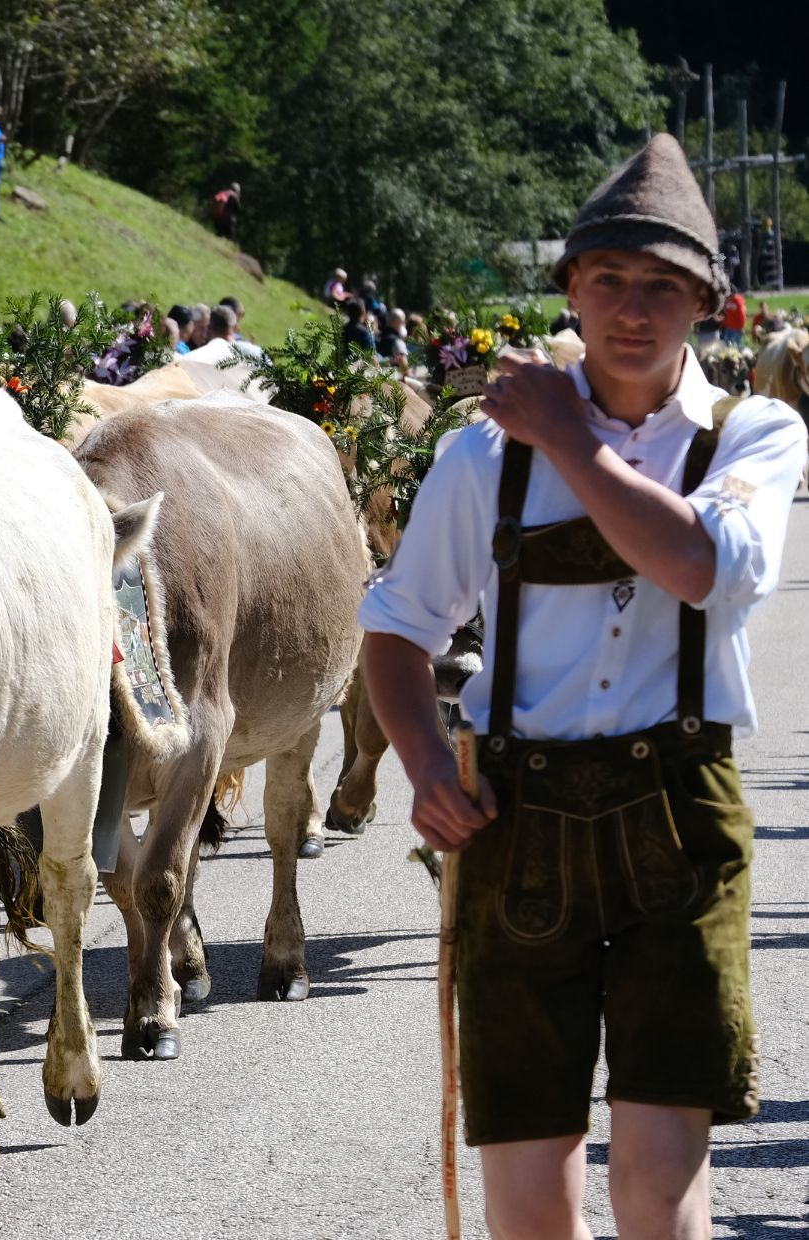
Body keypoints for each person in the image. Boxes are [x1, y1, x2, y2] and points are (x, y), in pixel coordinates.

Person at [359, 134, 806, 1240]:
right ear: (571, 287)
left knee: (656, 1188)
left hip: (679, 823)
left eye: (663, 286)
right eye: (607, 280)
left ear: (706, 301)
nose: (632, 309)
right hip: (517, 824)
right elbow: (396, 629)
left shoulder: (751, 433)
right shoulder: (481, 459)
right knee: (532, 1199)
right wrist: (421, 766)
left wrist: (563, 433)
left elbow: (700, 566)